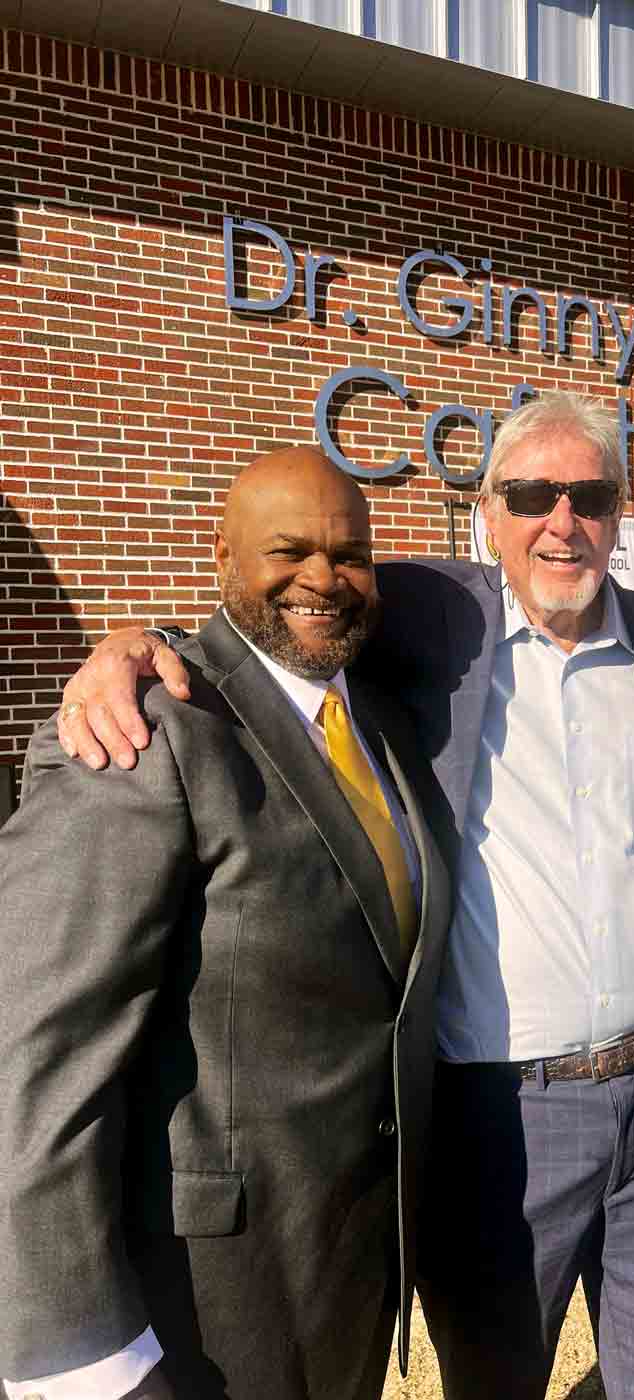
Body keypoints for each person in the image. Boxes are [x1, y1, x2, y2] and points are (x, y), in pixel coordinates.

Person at [52, 392, 634, 1400]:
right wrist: (133, 643)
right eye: (531, 494)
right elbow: (282, 603)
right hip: (504, 1111)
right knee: (496, 1376)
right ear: (488, 517)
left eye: (589, 494)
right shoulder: (432, 614)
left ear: (620, 512)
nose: (562, 520)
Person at [0, 448, 451, 1400]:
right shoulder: (142, 731)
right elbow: (30, 1043)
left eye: (351, 554)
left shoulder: (385, 726)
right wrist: (79, 1354)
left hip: (348, 1269)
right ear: (221, 560)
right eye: (287, 551)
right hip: (204, 1298)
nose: (323, 579)